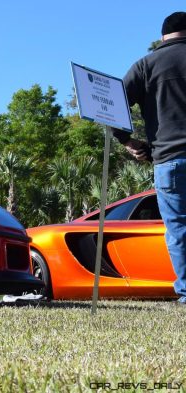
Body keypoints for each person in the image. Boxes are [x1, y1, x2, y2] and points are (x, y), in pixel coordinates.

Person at [113, 11, 186, 305]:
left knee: (179, 228)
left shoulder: (146, 65)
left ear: (163, 35)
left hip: (168, 158)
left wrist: (128, 141)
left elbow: (112, 106)